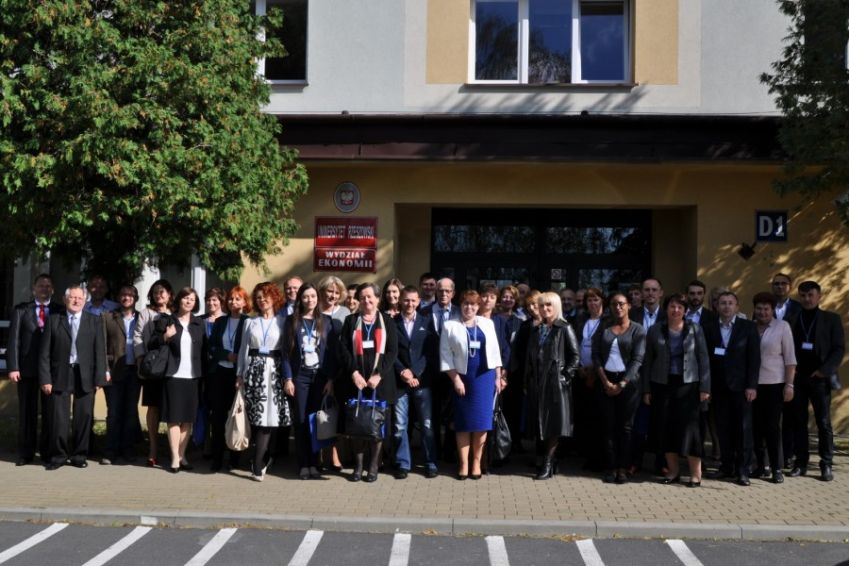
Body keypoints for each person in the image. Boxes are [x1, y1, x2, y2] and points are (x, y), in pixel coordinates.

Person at [643, 294, 711, 488]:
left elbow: (703, 358)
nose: (676, 310)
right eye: (672, 306)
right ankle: (673, 471)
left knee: (691, 430)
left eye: (680, 307)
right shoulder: (655, 330)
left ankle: (695, 474)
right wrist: (646, 389)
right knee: (666, 428)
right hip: (662, 384)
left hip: (689, 385)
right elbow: (648, 361)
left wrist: (705, 387)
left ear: (685, 310)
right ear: (666, 309)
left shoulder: (695, 329)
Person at [39, 285, 107, 469]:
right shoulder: (54, 320)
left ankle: (79, 456)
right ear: (65, 299)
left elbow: (100, 351)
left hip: (85, 374)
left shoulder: (94, 321)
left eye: (80, 298)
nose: (76, 301)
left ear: (85, 301)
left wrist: (99, 378)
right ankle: (58, 456)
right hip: (60, 373)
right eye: (72, 297)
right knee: (58, 417)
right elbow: (44, 353)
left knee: (83, 416)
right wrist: (45, 379)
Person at [338, 283, 399, 482]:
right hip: (356, 382)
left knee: (376, 426)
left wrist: (378, 374)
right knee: (357, 426)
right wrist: (354, 373)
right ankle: (358, 467)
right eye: (362, 297)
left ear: (378, 299)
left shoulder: (387, 321)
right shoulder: (351, 321)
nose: (366, 300)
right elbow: (344, 349)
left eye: (370, 296)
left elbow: (392, 351)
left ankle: (373, 466)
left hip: (380, 383)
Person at [439, 290, 503, 480]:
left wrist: (498, 377)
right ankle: (464, 463)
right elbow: (445, 356)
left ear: (478, 306)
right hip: (463, 378)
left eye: (473, 304)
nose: (469, 307)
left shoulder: (487, 324)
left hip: (485, 378)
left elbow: (495, 352)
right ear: (461, 305)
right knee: (463, 423)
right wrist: (456, 379)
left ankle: (476, 462)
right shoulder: (450, 326)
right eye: (466, 304)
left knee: (482, 423)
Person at [789, 280, 844, 482]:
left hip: (820, 378)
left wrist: (824, 371)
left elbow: (838, 349)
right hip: (798, 377)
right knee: (798, 421)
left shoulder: (831, 319)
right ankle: (800, 462)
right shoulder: (792, 319)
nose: (807, 299)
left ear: (819, 296)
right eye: (803, 295)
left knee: (823, 422)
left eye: (811, 295)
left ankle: (826, 463)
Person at [704, 291, 760, 486]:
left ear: (737, 307)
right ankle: (726, 467)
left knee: (743, 429)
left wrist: (752, 385)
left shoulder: (748, 327)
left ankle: (743, 470)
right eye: (722, 303)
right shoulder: (709, 328)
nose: (726, 306)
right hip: (719, 388)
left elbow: (754, 358)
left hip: (742, 388)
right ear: (716, 306)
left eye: (730, 303)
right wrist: (707, 388)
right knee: (723, 428)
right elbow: (706, 360)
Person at [282, 283, 338, 480]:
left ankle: (314, 463)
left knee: (315, 420)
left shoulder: (327, 321)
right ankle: (303, 464)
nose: (310, 300)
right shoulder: (291, 321)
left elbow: (332, 353)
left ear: (318, 298)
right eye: (306, 296)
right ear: (300, 299)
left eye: (313, 296)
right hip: (300, 377)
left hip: (319, 377)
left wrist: (330, 379)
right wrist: (288, 378)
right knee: (301, 420)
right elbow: (285, 352)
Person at [237, 282, 292, 481]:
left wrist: (288, 377)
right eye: (258, 297)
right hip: (254, 371)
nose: (262, 300)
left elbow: (287, 351)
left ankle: (259, 462)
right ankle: (261, 457)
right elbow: (243, 349)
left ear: (274, 297)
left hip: (274, 372)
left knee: (270, 417)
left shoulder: (283, 322)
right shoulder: (250, 322)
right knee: (256, 417)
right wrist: (239, 374)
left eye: (265, 296)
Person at [6, 273, 63, 465]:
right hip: (27, 369)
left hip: (51, 370)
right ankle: (25, 453)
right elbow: (14, 341)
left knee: (49, 413)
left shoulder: (59, 310)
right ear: (34, 288)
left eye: (48, 286)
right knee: (27, 412)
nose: (44, 289)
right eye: (41, 285)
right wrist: (13, 367)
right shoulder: (22, 310)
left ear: (52, 289)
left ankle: (47, 452)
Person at [149, 287, 207, 474]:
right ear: (179, 300)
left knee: (188, 419)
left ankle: (182, 455)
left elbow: (204, 351)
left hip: (193, 377)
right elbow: (152, 343)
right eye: (185, 298)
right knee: (173, 418)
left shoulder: (199, 323)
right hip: (173, 376)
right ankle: (174, 457)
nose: (188, 301)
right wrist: (165, 336)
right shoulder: (167, 320)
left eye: (192, 299)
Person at [592, 292, 646, 484]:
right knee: (608, 426)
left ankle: (623, 468)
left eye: (622, 304)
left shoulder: (637, 329)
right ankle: (611, 467)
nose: (618, 307)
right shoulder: (604, 326)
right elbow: (596, 354)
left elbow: (637, 359)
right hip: (605, 381)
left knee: (626, 427)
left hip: (628, 384)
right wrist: (605, 381)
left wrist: (622, 384)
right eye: (614, 304)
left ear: (629, 305)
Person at [524, 292, 579, 480]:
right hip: (537, 383)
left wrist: (564, 377)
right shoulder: (537, 329)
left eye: (549, 305)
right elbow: (530, 357)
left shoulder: (564, 328)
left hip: (555, 384)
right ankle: (548, 461)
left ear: (556, 306)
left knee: (554, 425)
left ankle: (548, 463)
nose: (544, 308)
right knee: (541, 423)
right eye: (542, 305)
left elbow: (575, 357)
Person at [392, 285, 439, 479]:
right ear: (400, 300)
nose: (409, 304)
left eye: (413, 300)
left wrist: (414, 372)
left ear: (418, 301)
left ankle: (430, 463)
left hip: (422, 382)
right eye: (406, 300)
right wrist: (402, 371)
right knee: (399, 426)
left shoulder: (427, 322)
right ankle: (402, 463)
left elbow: (431, 352)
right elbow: (389, 351)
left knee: (427, 425)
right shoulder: (392, 322)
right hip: (400, 382)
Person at [751, 292, 796, 484]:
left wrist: (789, 385)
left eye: (766, 309)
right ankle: (761, 466)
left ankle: (777, 467)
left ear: (772, 310)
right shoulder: (749, 327)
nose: (762, 312)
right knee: (755, 428)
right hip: (753, 385)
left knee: (772, 427)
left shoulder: (782, 327)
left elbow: (790, 359)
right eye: (759, 308)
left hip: (774, 384)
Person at [207, 286, 250, 472]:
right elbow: (211, 346)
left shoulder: (249, 322)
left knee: (236, 415)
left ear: (245, 302)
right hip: (219, 374)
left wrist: (237, 359)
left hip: (238, 375)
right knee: (218, 417)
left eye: (238, 299)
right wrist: (226, 355)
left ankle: (234, 458)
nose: (233, 302)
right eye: (231, 299)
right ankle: (217, 458)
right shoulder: (220, 321)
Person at [133, 279, 173, 467]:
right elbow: (138, 337)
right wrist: (140, 361)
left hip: (173, 367)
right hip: (153, 366)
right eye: (156, 292)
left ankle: (174, 450)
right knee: (153, 407)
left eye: (162, 291)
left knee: (172, 407)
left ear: (170, 294)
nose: (159, 295)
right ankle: (153, 448)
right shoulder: (146, 313)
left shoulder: (175, 313)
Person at [421, 277, 461, 462]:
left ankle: (450, 450)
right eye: (440, 290)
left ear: (453, 293)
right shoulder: (423, 312)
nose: (443, 294)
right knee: (432, 414)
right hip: (430, 372)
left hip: (454, 372)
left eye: (447, 291)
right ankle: (434, 452)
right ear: (436, 292)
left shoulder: (460, 313)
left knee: (453, 413)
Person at [101, 285, 141, 464]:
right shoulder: (108, 317)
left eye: (130, 295)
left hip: (134, 372)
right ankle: (110, 451)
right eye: (123, 294)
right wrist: (105, 369)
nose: (126, 297)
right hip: (114, 371)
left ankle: (128, 450)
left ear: (135, 298)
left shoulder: (141, 318)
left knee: (130, 412)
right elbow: (102, 345)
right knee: (114, 413)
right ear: (118, 297)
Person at [573, 287, 606, 471]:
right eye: (589, 300)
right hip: (581, 373)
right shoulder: (581, 320)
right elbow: (574, 345)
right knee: (583, 415)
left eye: (596, 300)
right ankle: (586, 454)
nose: (593, 303)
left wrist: (594, 369)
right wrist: (579, 367)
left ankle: (598, 457)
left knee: (598, 416)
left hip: (599, 375)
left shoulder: (607, 321)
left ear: (602, 301)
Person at [507, 289, 541, 455]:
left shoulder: (551, 324)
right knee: (517, 409)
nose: (532, 308)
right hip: (523, 374)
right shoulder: (525, 325)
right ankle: (515, 442)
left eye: (534, 304)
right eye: (528, 306)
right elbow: (519, 350)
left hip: (543, 375)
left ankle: (542, 452)